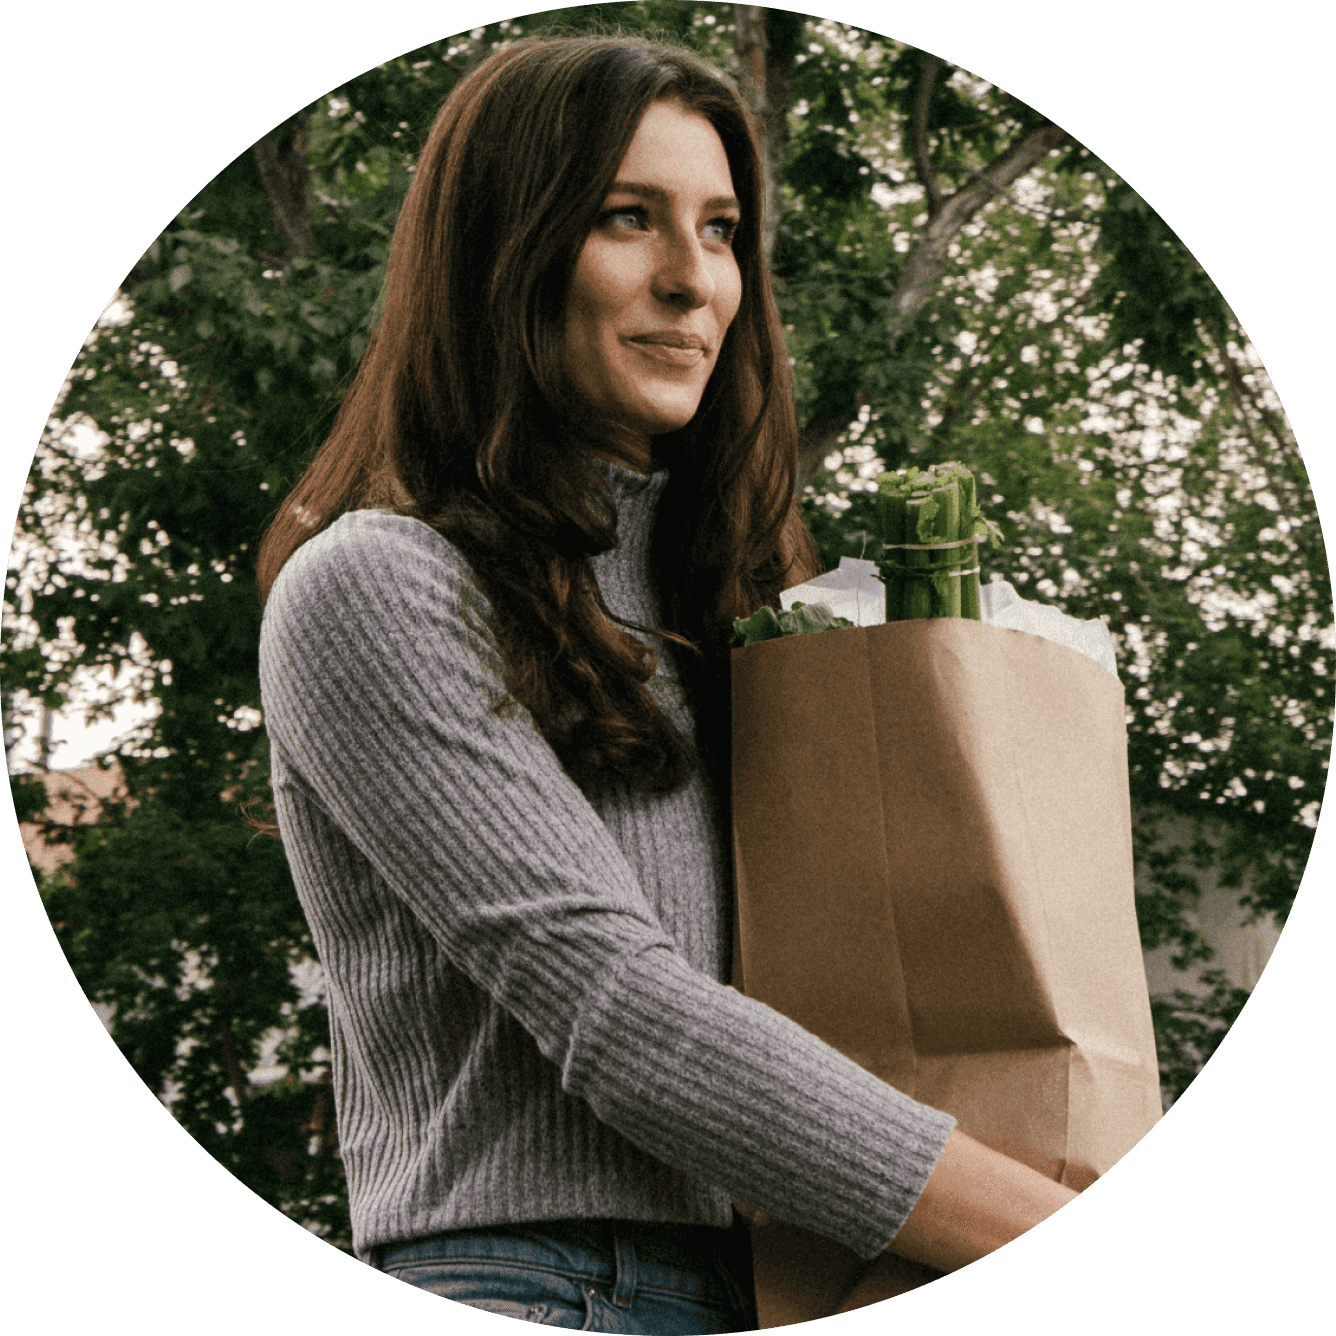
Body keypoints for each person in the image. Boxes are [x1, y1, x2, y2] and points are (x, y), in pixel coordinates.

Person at [257, 34, 1075, 1334]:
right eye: (626, 219)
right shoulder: (378, 588)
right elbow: (621, 1014)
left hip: (793, 1278)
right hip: (543, 1284)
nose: (694, 281)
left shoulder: (751, 620)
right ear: (503, 253)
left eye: (724, 229)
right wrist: (1051, 1232)